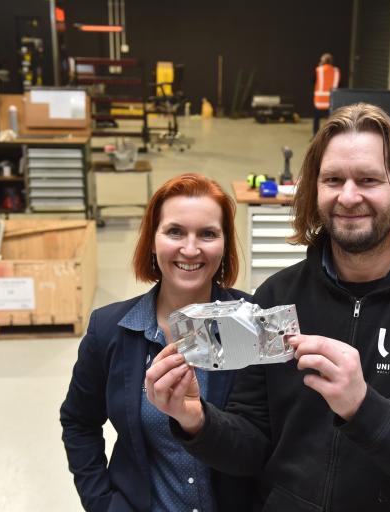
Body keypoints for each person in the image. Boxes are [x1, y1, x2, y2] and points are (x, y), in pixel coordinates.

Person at [145, 104, 390, 511]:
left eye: (368, 180)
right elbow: (253, 447)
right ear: (314, 190)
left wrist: (362, 407)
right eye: (333, 179)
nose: (349, 197)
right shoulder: (277, 295)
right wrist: (196, 419)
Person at [60, 173, 252, 511]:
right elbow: (79, 421)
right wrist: (103, 504)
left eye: (207, 234)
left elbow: (270, 436)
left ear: (225, 244)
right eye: (175, 231)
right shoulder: (110, 330)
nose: (190, 249)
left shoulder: (250, 326)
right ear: (152, 239)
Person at [313, 52, 340, 137]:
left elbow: (313, 81)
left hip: (319, 102)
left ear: (322, 61)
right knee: (331, 120)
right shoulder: (336, 71)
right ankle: (330, 136)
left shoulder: (318, 70)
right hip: (332, 101)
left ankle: (315, 135)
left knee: (316, 119)